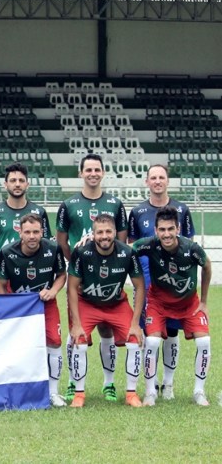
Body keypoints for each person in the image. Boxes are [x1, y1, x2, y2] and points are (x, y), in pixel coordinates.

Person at [56, 153, 128, 402]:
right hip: (81, 278)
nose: (93, 173)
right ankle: (73, 383)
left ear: (103, 172)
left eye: (97, 169)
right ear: (81, 173)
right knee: (75, 331)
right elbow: (62, 242)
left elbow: (121, 240)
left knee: (107, 330)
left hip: (108, 278)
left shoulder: (116, 204)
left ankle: (109, 384)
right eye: (88, 170)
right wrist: (78, 257)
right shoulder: (68, 205)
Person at [127, 164, 195, 399]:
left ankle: (168, 384)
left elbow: (189, 245)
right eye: (153, 177)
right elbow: (132, 248)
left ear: (168, 181)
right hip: (147, 277)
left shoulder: (182, 209)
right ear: (147, 182)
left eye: (161, 177)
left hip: (174, 279)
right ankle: (151, 383)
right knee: (149, 331)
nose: (157, 181)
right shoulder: (137, 212)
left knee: (173, 332)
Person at [133, 207, 213, 407]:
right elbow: (124, 251)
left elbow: (208, 266)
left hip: (188, 304)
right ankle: (150, 392)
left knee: (204, 342)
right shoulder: (148, 245)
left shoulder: (192, 249)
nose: (166, 234)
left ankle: (198, 391)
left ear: (178, 228)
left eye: (170, 229)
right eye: (162, 229)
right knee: (151, 342)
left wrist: (203, 301)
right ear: (155, 230)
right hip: (158, 303)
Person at [68, 215, 145, 408]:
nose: (104, 236)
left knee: (134, 339)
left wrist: (135, 324)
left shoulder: (127, 253)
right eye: (100, 232)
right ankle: (79, 394)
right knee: (79, 341)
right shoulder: (82, 253)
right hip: (88, 303)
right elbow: (71, 288)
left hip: (116, 305)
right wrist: (76, 325)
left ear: (115, 234)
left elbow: (140, 286)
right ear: (93, 234)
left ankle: (131, 394)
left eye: (108, 232)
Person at [0, 213, 67, 407]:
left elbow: (62, 275)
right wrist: (6, 308)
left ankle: (53, 392)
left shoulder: (53, 249)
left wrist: (53, 290)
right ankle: (16, 388)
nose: (32, 236)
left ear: (42, 232)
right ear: (20, 232)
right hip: (19, 306)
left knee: (54, 341)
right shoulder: (7, 252)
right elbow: (1, 284)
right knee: (17, 345)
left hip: (45, 303)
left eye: (36, 232)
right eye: (28, 232)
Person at [0, 162, 51, 293]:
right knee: (2, 313)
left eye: (21, 180)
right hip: (3, 275)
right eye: (13, 180)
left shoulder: (39, 212)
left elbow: (46, 244)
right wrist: (1, 264)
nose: (17, 184)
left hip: (32, 272)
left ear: (27, 184)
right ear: (5, 184)